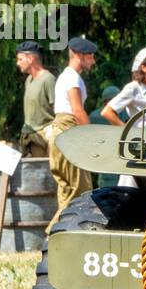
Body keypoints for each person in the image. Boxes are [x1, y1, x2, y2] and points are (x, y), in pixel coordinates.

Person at [47, 35, 97, 231]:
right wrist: (93, 137)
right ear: (77, 55)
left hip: (63, 134)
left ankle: (63, 235)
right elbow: (77, 111)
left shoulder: (67, 77)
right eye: (90, 56)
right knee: (79, 192)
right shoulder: (72, 78)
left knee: (69, 191)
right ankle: (54, 234)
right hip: (69, 133)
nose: (93, 61)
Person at [102, 48, 146, 188]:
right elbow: (107, 112)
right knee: (130, 181)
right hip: (139, 144)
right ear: (143, 67)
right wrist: (127, 130)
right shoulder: (133, 88)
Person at [15, 41, 55, 157]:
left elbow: (59, 113)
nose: (18, 63)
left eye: (20, 59)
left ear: (31, 59)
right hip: (29, 138)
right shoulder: (29, 80)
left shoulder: (48, 80)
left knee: (44, 174)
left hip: (44, 141)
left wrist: (52, 142)